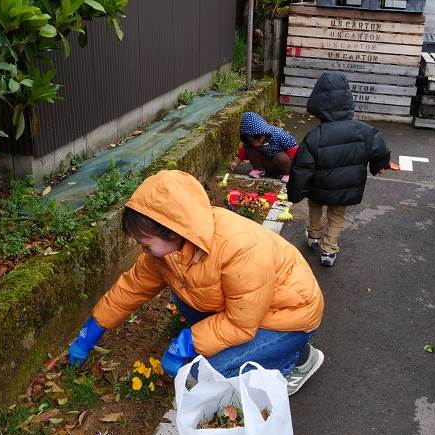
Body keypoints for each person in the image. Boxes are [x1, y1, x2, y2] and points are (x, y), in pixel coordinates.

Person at [67, 170, 325, 395]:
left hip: (290, 316)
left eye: (144, 243)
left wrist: (188, 342)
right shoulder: (170, 252)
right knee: (182, 292)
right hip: (251, 311)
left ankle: (297, 358)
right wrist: (91, 331)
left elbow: (241, 324)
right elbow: (131, 288)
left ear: (171, 230)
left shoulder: (239, 248)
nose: (141, 250)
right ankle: (262, 349)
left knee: (210, 374)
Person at [287, 71, 391, 267]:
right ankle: (329, 250)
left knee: (315, 206)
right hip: (346, 186)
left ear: (318, 102)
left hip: (319, 186)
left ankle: (314, 236)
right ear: (347, 99)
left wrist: (294, 192)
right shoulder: (365, 131)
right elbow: (379, 150)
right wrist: (379, 166)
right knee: (336, 215)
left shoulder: (314, 136)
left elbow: (301, 169)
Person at [231, 112, 298, 183]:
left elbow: (293, 151)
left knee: (281, 157)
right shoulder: (250, 142)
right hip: (267, 163)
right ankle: (258, 169)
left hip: (283, 164)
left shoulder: (280, 135)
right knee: (249, 149)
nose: (252, 143)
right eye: (250, 141)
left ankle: (288, 174)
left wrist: (296, 168)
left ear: (262, 136)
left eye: (254, 141)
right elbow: (243, 151)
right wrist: (236, 162)